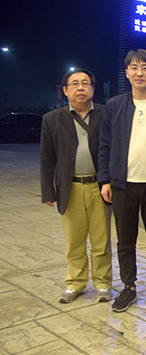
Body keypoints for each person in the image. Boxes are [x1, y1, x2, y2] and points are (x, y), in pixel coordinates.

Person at [98, 49, 146, 313]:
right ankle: (129, 288)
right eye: (134, 67)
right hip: (122, 185)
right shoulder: (114, 105)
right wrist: (105, 180)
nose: (139, 72)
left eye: (144, 67)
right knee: (125, 240)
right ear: (127, 73)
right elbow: (104, 144)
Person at [40, 68, 112, 304]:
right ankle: (75, 283)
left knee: (101, 241)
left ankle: (103, 283)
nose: (80, 88)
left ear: (92, 88)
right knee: (74, 241)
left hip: (99, 187)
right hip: (69, 188)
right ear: (65, 90)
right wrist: (48, 191)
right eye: (75, 84)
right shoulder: (52, 119)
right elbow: (46, 158)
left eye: (85, 83)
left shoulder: (105, 114)